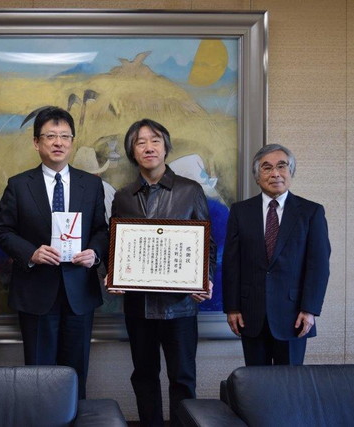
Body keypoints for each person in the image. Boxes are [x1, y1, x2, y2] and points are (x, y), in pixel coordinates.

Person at [0, 106, 108, 399]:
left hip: (79, 292)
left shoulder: (91, 184)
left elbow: (101, 230)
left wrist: (94, 254)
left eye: (65, 136)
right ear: (36, 142)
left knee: (76, 374)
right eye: (50, 136)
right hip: (36, 291)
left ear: (72, 142)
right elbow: (2, 231)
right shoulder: (19, 185)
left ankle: (75, 418)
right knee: (38, 374)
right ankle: (39, 418)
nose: (58, 142)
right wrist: (31, 253)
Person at [109, 119, 215, 427]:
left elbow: (207, 243)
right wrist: (111, 273)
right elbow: (115, 243)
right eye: (140, 142)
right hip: (138, 305)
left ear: (166, 147)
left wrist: (205, 277)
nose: (148, 147)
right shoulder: (123, 196)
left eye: (155, 140)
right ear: (132, 151)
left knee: (183, 376)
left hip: (180, 305)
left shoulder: (190, 191)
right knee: (144, 375)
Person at [222, 143, 331, 366]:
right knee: (256, 383)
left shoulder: (311, 212)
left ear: (291, 172)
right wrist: (232, 307)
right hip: (251, 314)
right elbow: (232, 263)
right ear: (257, 176)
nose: (275, 173)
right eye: (267, 167)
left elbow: (319, 265)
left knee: (289, 382)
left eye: (282, 166)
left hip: (294, 315)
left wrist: (309, 309)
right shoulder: (240, 211)